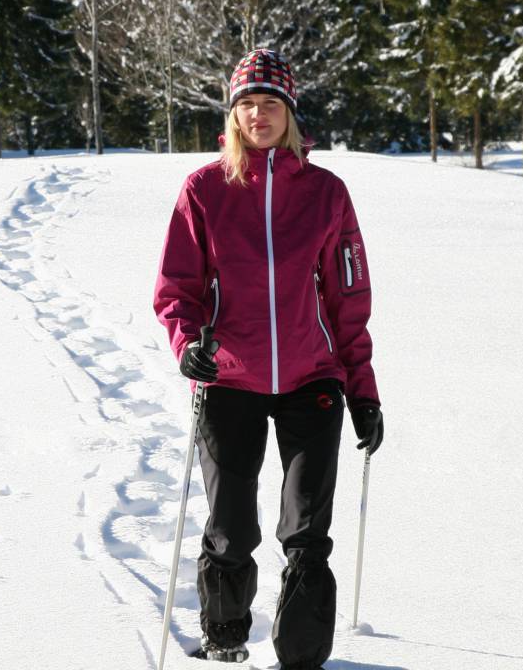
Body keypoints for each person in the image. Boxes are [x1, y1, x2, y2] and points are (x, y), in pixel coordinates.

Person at [153, 48, 385, 669]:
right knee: (231, 528)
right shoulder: (204, 189)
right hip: (230, 379)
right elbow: (177, 289)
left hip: (313, 379)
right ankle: (225, 643)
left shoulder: (326, 194)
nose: (259, 115)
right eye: (248, 104)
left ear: (290, 113)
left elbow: (349, 300)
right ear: (233, 115)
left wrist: (362, 390)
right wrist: (188, 344)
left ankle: (302, 660)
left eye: (271, 103)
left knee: (307, 534)